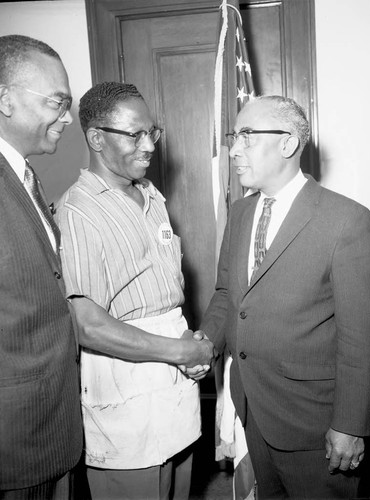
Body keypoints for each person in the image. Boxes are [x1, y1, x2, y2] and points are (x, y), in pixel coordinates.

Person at [200, 95, 370, 499]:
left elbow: (363, 339)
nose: (233, 150)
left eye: (246, 137)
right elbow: (227, 294)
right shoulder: (241, 214)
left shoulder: (346, 221)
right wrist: (204, 343)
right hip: (251, 408)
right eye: (236, 137)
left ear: (287, 143)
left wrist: (351, 426)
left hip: (313, 425)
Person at [55, 81, 214, 500]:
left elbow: (163, 295)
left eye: (152, 133)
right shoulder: (78, 211)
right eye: (134, 134)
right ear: (96, 138)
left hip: (173, 389)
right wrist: (179, 352)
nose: (149, 146)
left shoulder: (150, 196)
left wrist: (188, 343)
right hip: (124, 395)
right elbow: (88, 327)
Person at [0, 35, 83, 498]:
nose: (67, 117)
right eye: (57, 102)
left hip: (50, 426)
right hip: (12, 442)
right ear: (5, 99)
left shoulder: (24, 175)